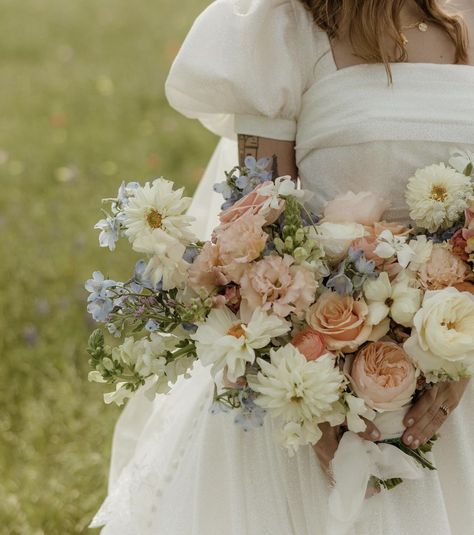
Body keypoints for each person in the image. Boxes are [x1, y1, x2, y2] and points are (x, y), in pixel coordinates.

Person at [91, 0, 474, 533]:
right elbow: (252, 234)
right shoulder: (280, 33)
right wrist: (312, 403)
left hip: (457, 382)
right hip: (309, 388)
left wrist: (460, 360)